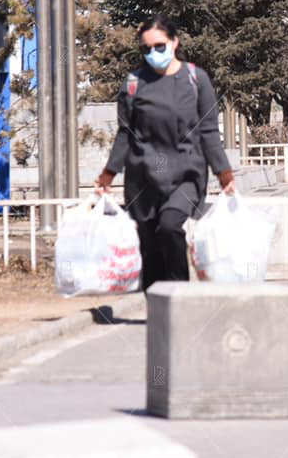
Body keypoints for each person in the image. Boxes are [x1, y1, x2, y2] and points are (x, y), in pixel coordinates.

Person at [95, 15, 234, 291]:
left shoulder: (196, 79)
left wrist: (224, 173)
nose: (153, 53)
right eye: (146, 49)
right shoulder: (134, 83)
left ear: (174, 42)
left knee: (170, 227)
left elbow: (208, 130)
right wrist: (108, 174)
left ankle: (180, 297)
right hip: (144, 178)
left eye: (159, 46)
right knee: (150, 247)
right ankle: (156, 305)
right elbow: (125, 133)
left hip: (186, 175)